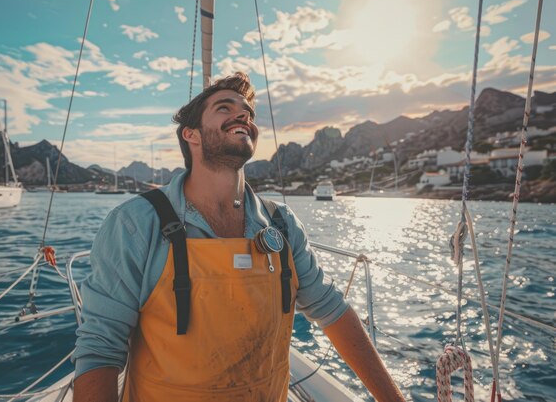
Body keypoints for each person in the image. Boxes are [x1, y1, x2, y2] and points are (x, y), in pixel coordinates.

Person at [73, 72, 406, 402]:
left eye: (248, 111)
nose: (243, 115)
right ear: (192, 134)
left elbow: (331, 309)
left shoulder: (282, 224)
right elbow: (101, 351)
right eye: (224, 108)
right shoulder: (134, 224)